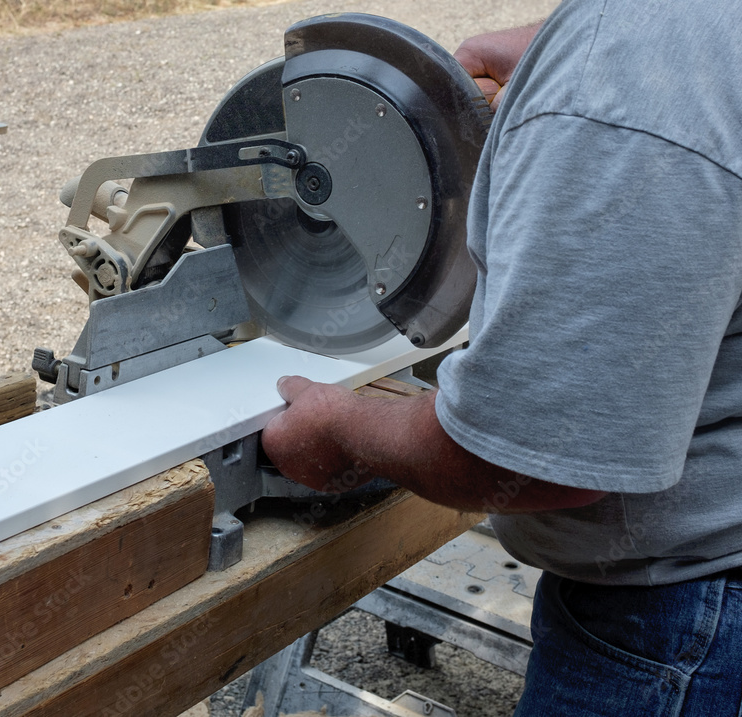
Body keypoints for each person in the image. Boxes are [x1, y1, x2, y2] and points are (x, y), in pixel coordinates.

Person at [261, 1, 742, 714]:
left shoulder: (629, 63)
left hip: (680, 626)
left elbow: (536, 457)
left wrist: (342, 432)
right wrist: (565, 54)